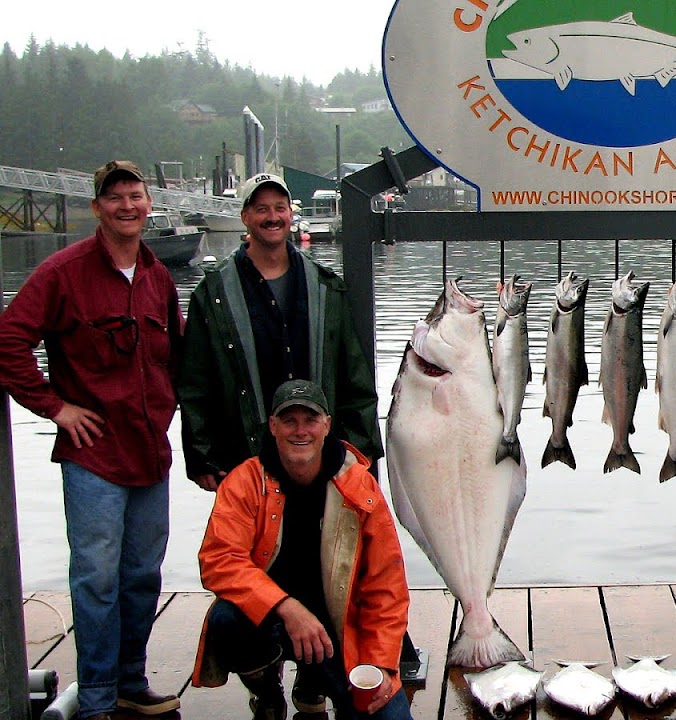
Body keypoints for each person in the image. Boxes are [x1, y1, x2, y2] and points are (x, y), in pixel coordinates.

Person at [177, 173, 386, 711]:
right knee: (251, 578)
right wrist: (201, 452)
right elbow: (195, 379)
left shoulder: (324, 283)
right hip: (251, 462)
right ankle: (264, 681)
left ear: (291, 215)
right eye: (261, 208)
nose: (273, 217)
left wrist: (360, 449)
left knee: (331, 574)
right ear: (245, 217)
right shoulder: (213, 292)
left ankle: (314, 684)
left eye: (281, 207)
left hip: (322, 459)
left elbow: (354, 372)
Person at [0, 160, 183, 719]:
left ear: (148, 204)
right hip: (94, 458)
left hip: (150, 454)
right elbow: (9, 342)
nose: (127, 206)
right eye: (115, 198)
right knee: (96, 580)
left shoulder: (158, 276)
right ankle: (98, 697)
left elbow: (177, 355)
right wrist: (56, 408)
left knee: (141, 576)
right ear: (96, 208)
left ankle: (130, 680)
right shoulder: (63, 272)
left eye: (135, 196)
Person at [191, 380, 411, 720]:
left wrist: (381, 664)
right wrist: (286, 607)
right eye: (289, 420)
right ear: (273, 427)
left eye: (309, 420)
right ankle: (267, 692)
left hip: (339, 630)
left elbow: (387, 588)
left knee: (386, 714)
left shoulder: (361, 487)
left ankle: (315, 680)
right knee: (226, 619)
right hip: (274, 621)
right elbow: (218, 560)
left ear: (326, 425)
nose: (300, 431)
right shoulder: (244, 481)